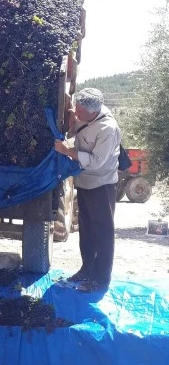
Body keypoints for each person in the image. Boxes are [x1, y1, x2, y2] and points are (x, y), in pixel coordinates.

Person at [54, 88, 121, 292]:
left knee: (103, 232)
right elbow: (74, 130)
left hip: (102, 185)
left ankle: (100, 279)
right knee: (86, 229)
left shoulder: (107, 129)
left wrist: (68, 152)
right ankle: (86, 269)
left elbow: (97, 162)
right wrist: (71, 117)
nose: (78, 115)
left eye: (81, 113)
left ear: (94, 111)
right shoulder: (84, 115)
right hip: (84, 182)